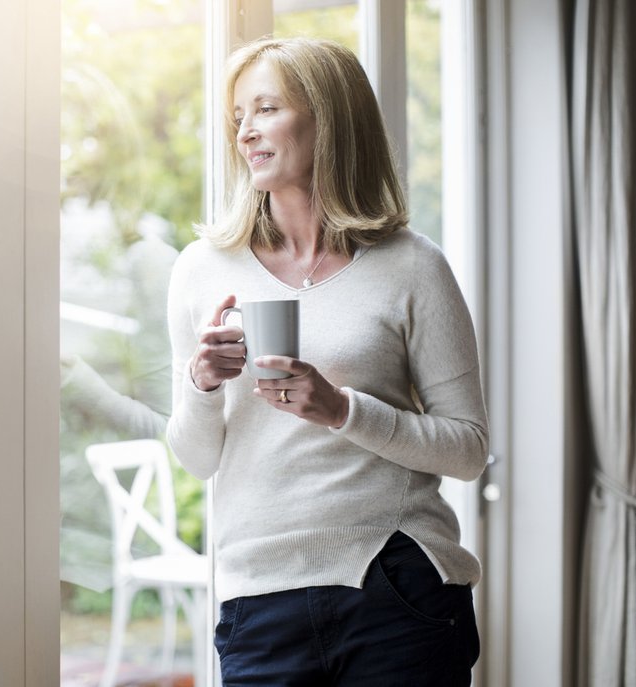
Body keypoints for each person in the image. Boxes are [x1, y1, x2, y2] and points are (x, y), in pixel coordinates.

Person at [166, 36, 488, 685]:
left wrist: (342, 410)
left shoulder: (413, 266)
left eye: (266, 109)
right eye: (238, 117)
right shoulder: (202, 271)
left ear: (328, 118)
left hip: (395, 584)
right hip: (258, 599)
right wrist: (200, 384)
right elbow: (197, 457)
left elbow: (467, 448)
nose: (246, 132)